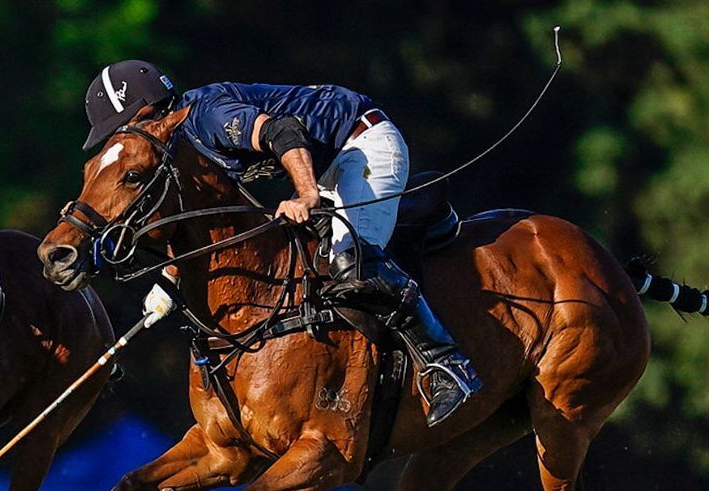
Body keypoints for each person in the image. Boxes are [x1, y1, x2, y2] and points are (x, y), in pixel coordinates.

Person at [82, 61, 481, 426]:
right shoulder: (177, 149)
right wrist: (171, 275)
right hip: (328, 164)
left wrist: (306, 194)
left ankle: (448, 364)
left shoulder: (204, 116)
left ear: (145, 111)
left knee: (352, 263)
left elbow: (282, 131)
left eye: (120, 126)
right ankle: (414, 207)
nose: (119, 139)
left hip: (362, 142)